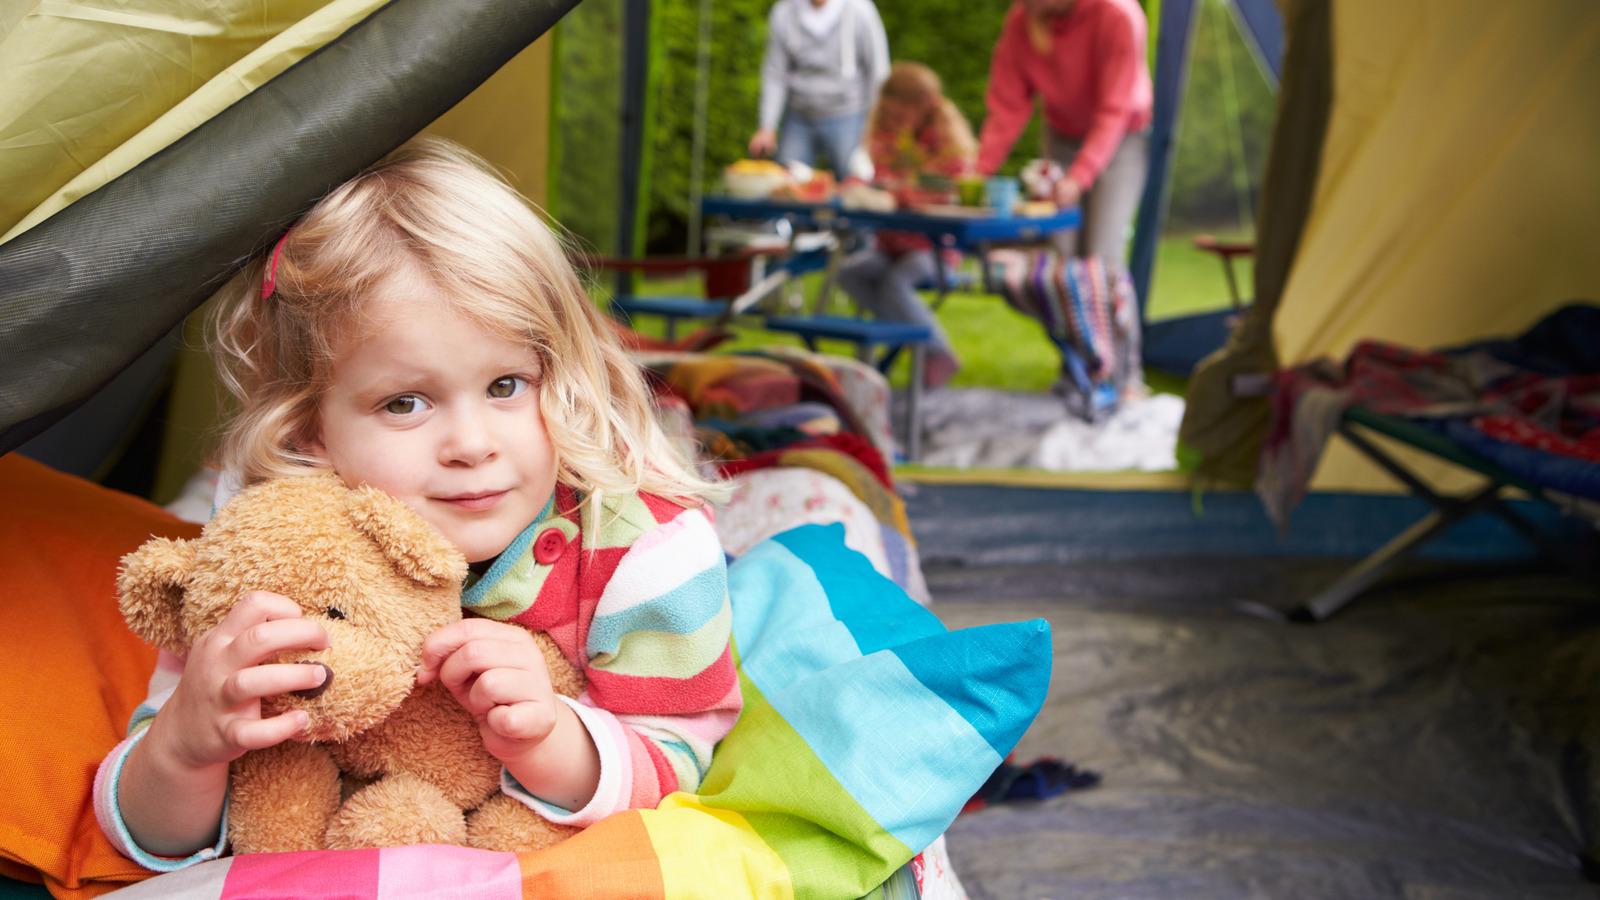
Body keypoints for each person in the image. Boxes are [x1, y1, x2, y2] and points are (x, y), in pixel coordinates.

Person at [94, 138, 742, 869]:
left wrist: (554, 741)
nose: (472, 443)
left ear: (556, 370)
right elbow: (147, 837)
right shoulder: (275, 547)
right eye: (405, 403)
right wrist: (185, 745)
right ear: (310, 430)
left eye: (506, 386)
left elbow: (679, 761)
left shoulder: (644, 552)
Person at [977, 0, 1153, 266]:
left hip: (1121, 139)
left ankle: (1110, 305)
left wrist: (1079, 176)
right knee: (1060, 254)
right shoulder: (1022, 19)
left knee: (1101, 257)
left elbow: (1115, 109)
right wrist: (979, 171)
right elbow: (1007, 108)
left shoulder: (1117, 15)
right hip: (1062, 136)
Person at [835, 62, 977, 388]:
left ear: (924, 109)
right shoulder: (886, 137)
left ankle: (939, 351)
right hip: (891, 245)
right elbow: (879, 180)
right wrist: (860, 186)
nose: (892, 124)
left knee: (896, 281)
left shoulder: (947, 143)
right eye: (888, 116)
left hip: (935, 249)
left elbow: (952, 191)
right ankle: (909, 335)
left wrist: (905, 193)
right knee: (850, 273)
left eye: (899, 117)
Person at [749, 0, 890, 176]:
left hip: (849, 116)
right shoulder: (784, 12)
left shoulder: (860, 10)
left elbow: (878, 72)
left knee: (855, 184)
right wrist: (767, 127)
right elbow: (776, 74)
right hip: (799, 118)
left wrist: (874, 128)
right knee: (787, 187)